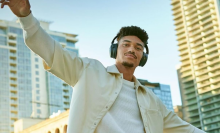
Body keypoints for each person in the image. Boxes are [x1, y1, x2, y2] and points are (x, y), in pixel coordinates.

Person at [1, 0, 206, 133]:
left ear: (143, 57)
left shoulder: (152, 101)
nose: (132, 50)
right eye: (126, 44)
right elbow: (50, 50)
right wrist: (26, 17)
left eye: (138, 47)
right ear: (115, 49)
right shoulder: (88, 71)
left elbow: (188, 130)